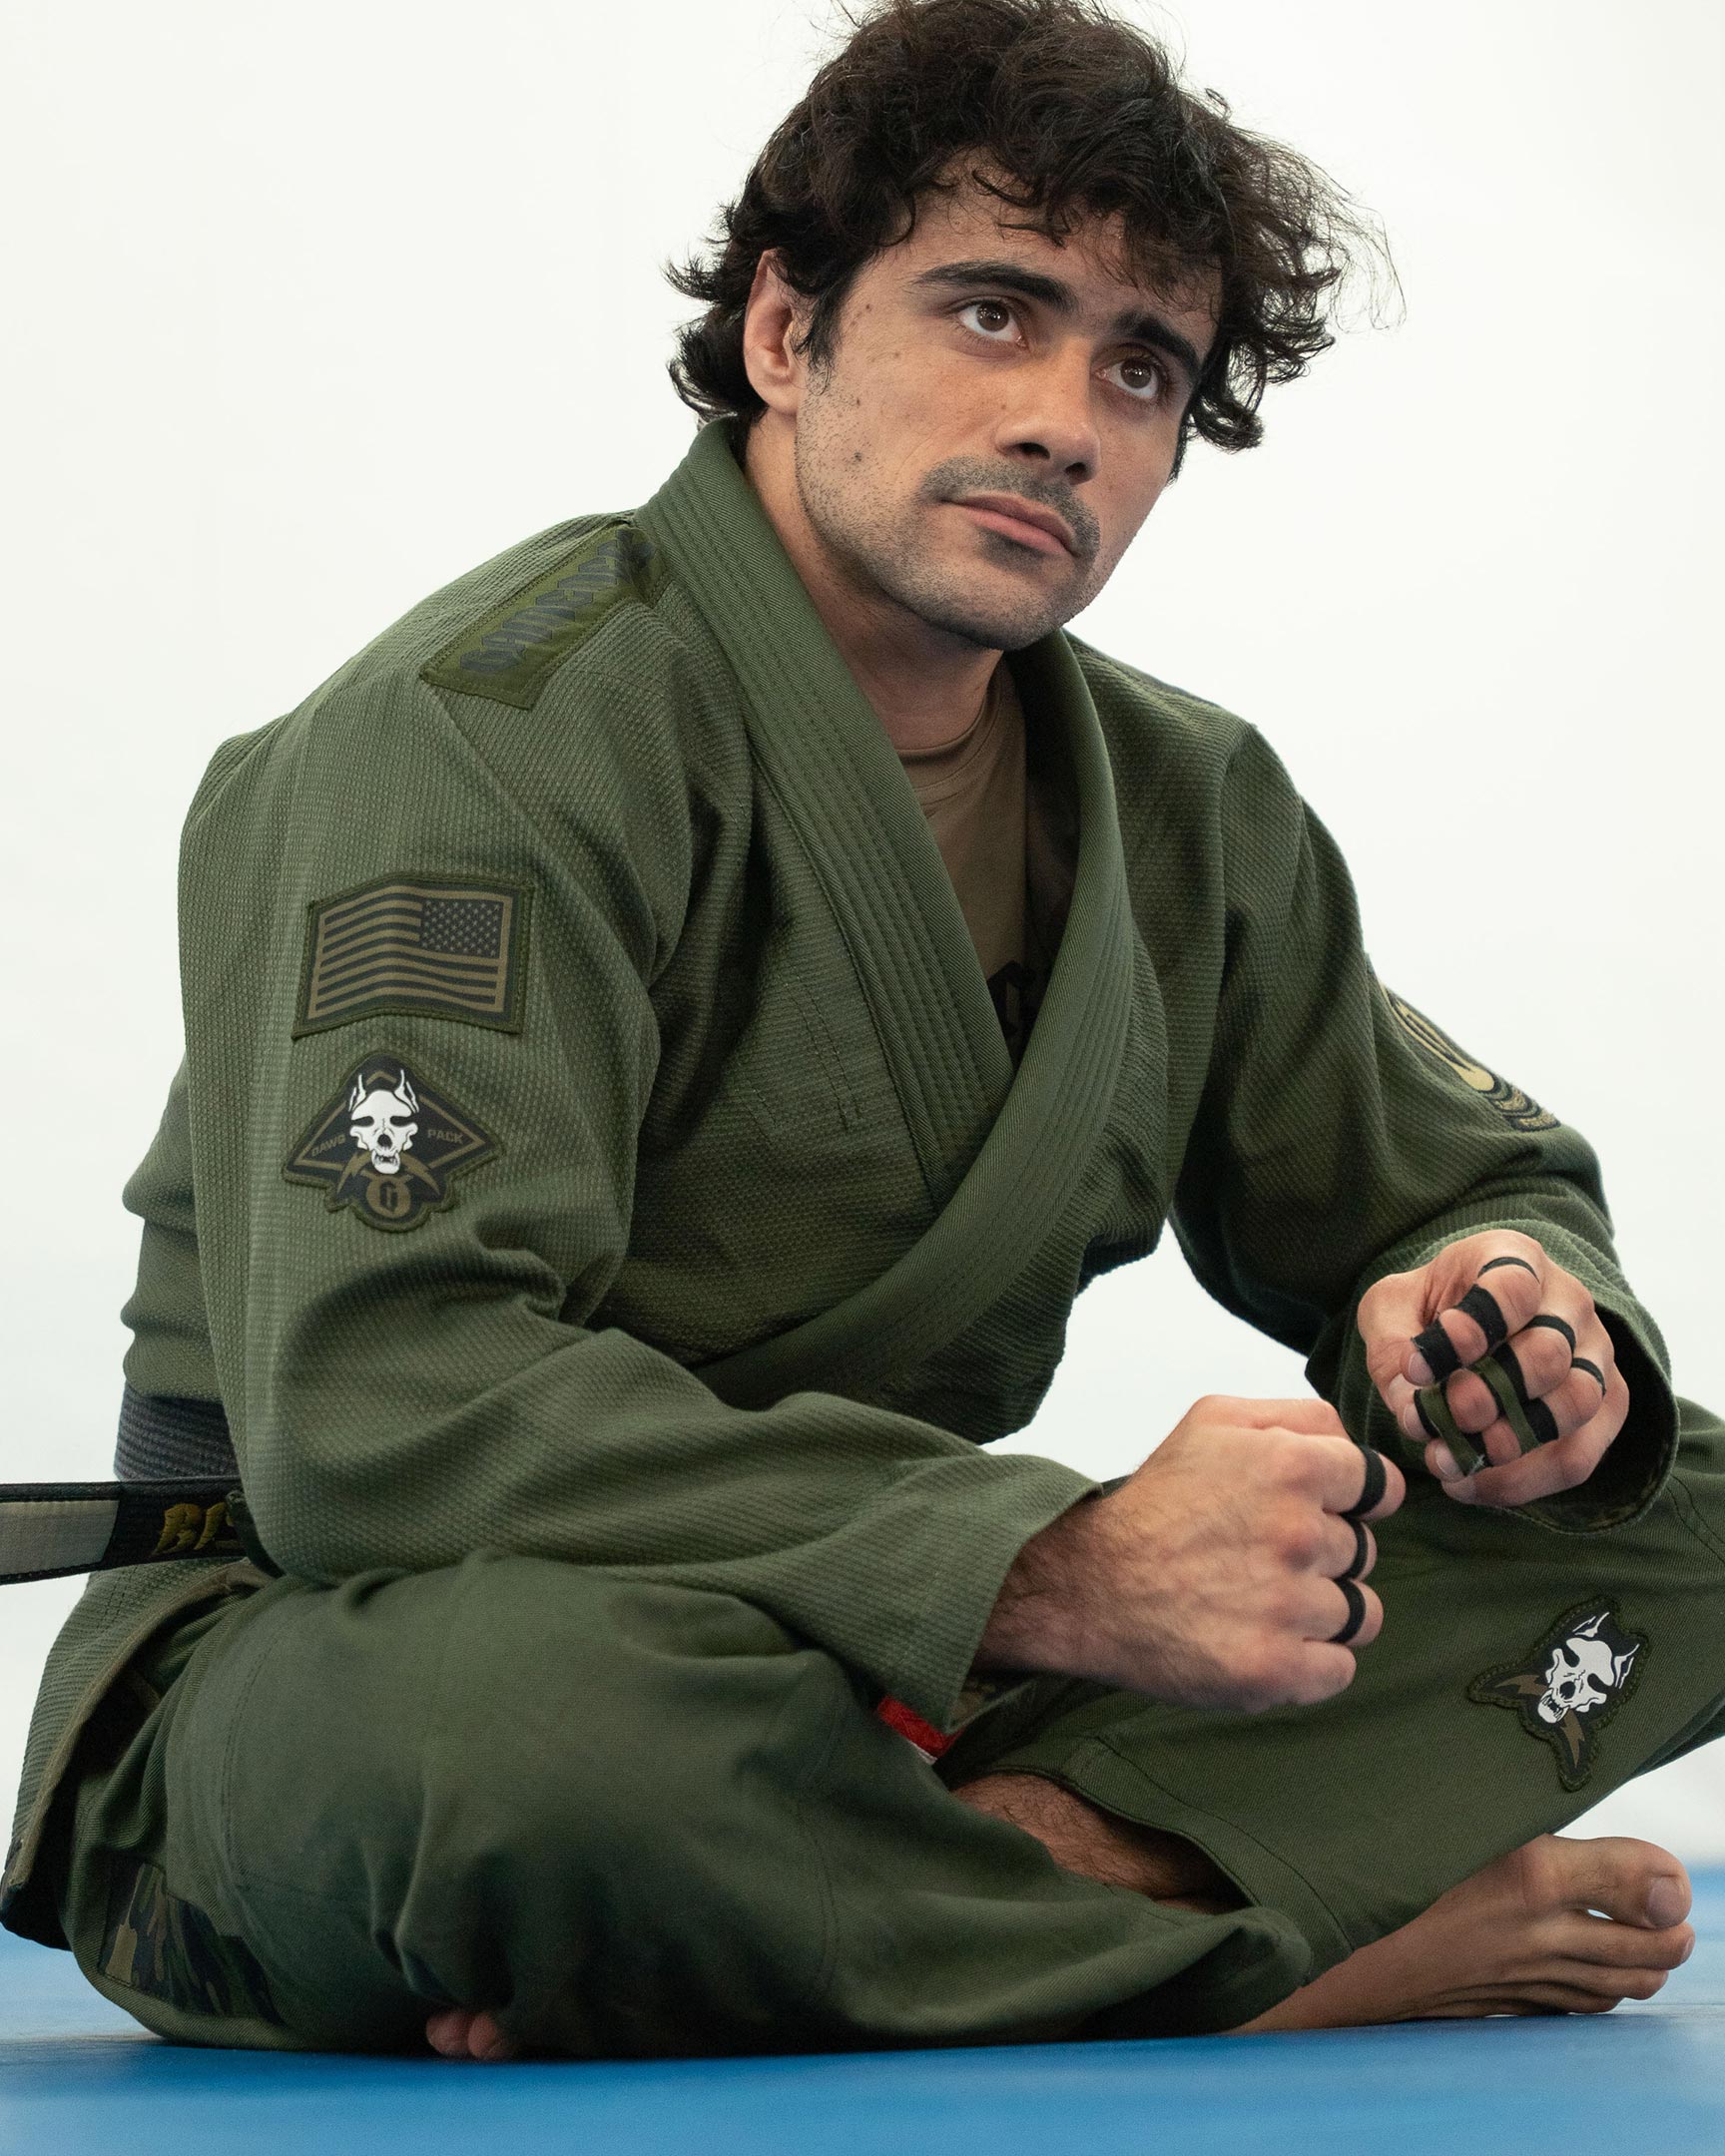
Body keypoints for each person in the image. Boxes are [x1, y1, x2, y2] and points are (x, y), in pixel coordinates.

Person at [4, 0, 1718, 2059]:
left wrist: (1499, 1317)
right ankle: (1279, 1941)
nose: (1067, 420)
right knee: (541, 1748)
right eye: (993, 312)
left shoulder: (1187, 807)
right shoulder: (477, 738)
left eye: (1142, 368)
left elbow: (1437, 1187)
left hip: (866, 1679)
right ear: (784, 331)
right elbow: (389, 1402)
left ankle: (908, 1911)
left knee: (1679, 1511)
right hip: (345, 1643)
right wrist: (1058, 1566)